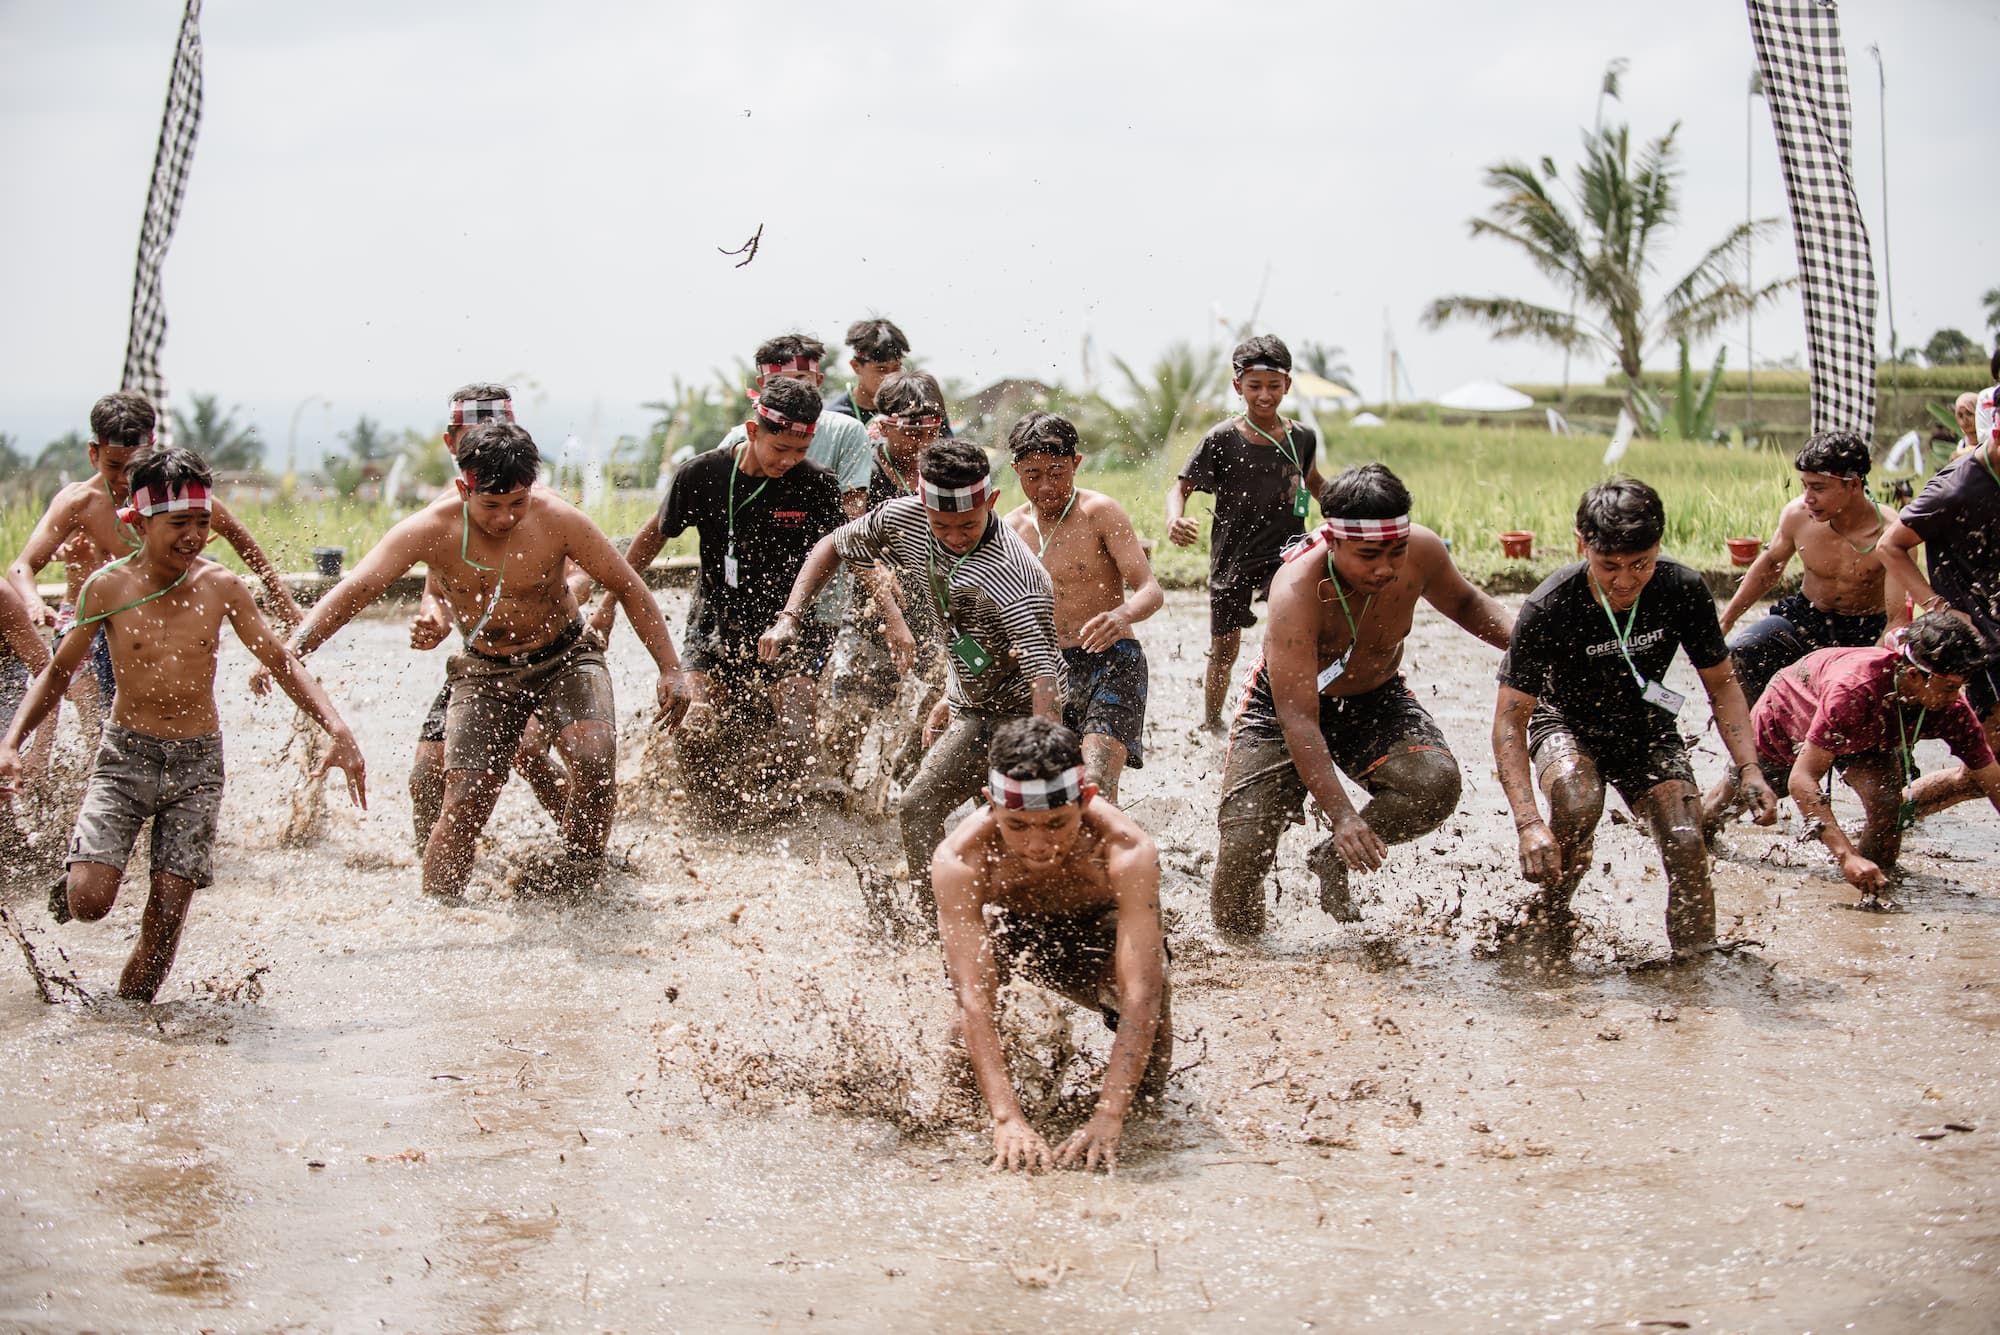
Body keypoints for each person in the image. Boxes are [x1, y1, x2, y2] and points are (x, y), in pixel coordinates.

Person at [0, 450, 366, 1001]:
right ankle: (74, 883)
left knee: (167, 917)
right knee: (90, 902)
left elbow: (282, 661)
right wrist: (10, 743)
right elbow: (56, 672)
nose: (194, 535)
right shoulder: (106, 588)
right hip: (125, 756)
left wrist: (339, 729)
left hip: (197, 763)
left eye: (202, 522)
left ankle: (129, 1025)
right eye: (178, 524)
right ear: (138, 521)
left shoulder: (221, 586)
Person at [288, 421, 694, 899]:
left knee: (593, 755)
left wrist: (670, 668)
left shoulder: (559, 519)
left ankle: (583, 884)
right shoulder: (429, 529)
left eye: (517, 504)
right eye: (491, 505)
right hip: (484, 670)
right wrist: (295, 648)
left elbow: (628, 585)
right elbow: (356, 589)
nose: (505, 518)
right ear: (464, 487)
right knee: (465, 798)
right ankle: (439, 910)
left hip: (565, 655)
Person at [759, 437, 1062, 923]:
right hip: (971, 701)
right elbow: (830, 547)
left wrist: (1043, 770)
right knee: (919, 807)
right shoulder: (900, 517)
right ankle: (938, 923)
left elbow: (1045, 684)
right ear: (922, 506)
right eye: (942, 525)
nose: (955, 537)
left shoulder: (1018, 578)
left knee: (1018, 824)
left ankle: (1036, 921)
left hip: (1021, 714)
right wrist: (791, 616)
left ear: (992, 502)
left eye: (968, 524)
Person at [1210, 464, 1513, 937]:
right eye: (1370, 556)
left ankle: (1330, 859)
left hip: (1376, 697)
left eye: (1396, 552)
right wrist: (1345, 815)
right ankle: (1252, 965)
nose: (1386, 569)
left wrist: (1533, 648)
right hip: (1282, 710)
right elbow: (1298, 719)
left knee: (1434, 786)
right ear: (1333, 541)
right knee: (1242, 856)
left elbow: (1469, 605)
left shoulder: (1425, 552)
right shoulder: (1295, 590)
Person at [1493, 479, 1777, 959]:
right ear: (1582, 545)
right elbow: (1508, 720)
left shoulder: (1682, 589)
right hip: (1565, 722)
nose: (1625, 581)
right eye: (1609, 566)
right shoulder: (1550, 605)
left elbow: (1722, 684)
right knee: (1579, 798)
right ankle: (1551, 915)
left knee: (1686, 839)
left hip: (1646, 726)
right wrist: (1527, 823)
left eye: (1640, 564)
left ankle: (1696, 971)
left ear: (1659, 546)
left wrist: (1749, 767)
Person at [932, 716, 1169, 1173]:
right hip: (1013, 936)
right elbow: (973, 997)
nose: (1038, 844)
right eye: (1017, 827)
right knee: (962, 1045)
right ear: (990, 805)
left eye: (1058, 824)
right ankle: (963, 1120)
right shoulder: (961, 859)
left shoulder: (1126, 848)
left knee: (1152, 1006)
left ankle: (1147, 1110)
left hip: (1097, 936)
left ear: (1088, 800)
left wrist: (1109, 1114)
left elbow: (1143, 991)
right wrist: (1006, 1118)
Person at [592, 377, 843, 786]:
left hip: (791, 624)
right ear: (752, 431)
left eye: (800, 451)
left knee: (798, 736)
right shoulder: (701, 474)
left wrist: (792, 617)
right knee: (695, 724)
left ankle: (805, 821)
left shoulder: (817, 483)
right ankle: (700, 817)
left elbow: (835, 551)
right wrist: (608, 603)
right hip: (716, 622)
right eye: (780, 449)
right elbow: (655, 533)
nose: (789, 461)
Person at [7, 392, 303, 721]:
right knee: (98, 726)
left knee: (162, 712)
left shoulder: (179, 501)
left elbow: (241, 540)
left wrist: (284, 604)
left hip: (152, 620)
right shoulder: (81, 502)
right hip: (88, 620)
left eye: (134, 466)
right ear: (94, 454)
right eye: (114, 466)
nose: (123, 479)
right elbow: (21, 567)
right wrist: (33, 601)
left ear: (153, 449)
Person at [1701, 614, 2000, 896]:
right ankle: (1691, 834)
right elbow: (1802, 780)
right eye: (1949, 688)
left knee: (1887, 803)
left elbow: (1991, 778)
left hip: (1866, 736)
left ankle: (1875, 884)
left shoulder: (1950, 709)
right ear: (1913, 675)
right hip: (1790, 716)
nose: (1956, 698)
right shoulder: (1854, 689)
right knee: (1721, 810)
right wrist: (1845, 855)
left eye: (1961, 688)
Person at [406, 384, 574, 843]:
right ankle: (433, 872)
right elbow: (436, 589)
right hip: (479, 664)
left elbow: (581, 574)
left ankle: (584, 853)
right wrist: (433, 619)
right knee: (426, 773)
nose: (484, 441)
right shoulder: (446, 511)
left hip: (545, 657)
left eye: (495, 430)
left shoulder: (539, 501)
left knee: (530, 753)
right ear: (451, 443)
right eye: (472, 434)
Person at [1165, 335, 1325, 732]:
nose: (1265, 395)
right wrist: (1175, 519)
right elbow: (1180, 488)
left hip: (1288, 555)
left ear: (1287, 385)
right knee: (1224, 646)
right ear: (1238, 386)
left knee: (1292, 637)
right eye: (1255, 386)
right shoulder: (1222, 439)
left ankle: (1285, 713)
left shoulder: (1301, 437)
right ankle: (1211, 722)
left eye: (1274, 386)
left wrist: (1347, 512)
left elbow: (1315, 483)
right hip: (1233, 557)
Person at [1001, 412, 1162, 803]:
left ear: (1076, 463)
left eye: (1057, 473)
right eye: (1033, 475)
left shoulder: (1100, 512)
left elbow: (1150, 589)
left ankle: (1110, 859)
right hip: (1044, 669)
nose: (1046, 486)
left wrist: (1121, 614)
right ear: (1015, 470)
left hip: (1111, 661)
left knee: (1095, 785)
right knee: (1047, 786)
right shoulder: (1008, 528)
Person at [1716, 430, 1904, 708]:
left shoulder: (1891, 532)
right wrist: (1726, 621)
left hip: (1864, 631)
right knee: (1742, 652)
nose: (1808, 498)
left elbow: (1898, 617)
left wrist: (1870, 665)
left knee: (1873, 690)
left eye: (1818, 488)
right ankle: (1760, 742)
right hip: (1806, 619)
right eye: (1804, 486)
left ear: (1853, 485)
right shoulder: (1797, 516)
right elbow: (1769, 566)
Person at [1877, 412, 2000, 775]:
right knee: (1986, 764)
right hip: (1982, 640)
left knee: (1984, 769)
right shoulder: (1955, 489)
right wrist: (1939, 608)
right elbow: (1890, 545)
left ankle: (1898, 809)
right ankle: (1899, 808)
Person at [712, 334, 874, 518]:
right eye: (778, 380)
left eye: (801, 378)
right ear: (762, 384)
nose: (792, 388)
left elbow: (853, 513)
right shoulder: (740, 437)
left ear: (818, 381)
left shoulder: (846, 431)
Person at [821, 317, 953, 438]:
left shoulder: (920, 408)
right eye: (881, 369)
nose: (890, 377)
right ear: (856, 366)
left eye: (896, 368)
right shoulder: (835, 416)